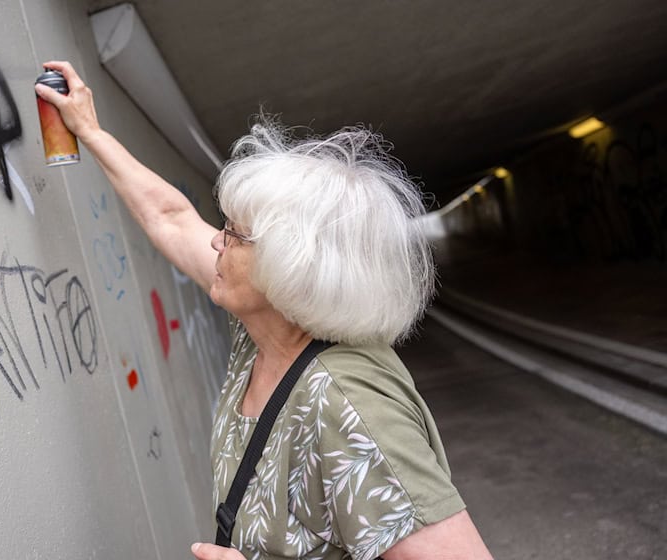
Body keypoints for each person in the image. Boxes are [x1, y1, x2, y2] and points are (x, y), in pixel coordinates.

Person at [36, 61, 493, 560]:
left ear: (291, 267)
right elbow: (171, 219)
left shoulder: (347, 405)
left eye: (234, 234)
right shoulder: (263, 328)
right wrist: (90, 131)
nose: (216, 239)